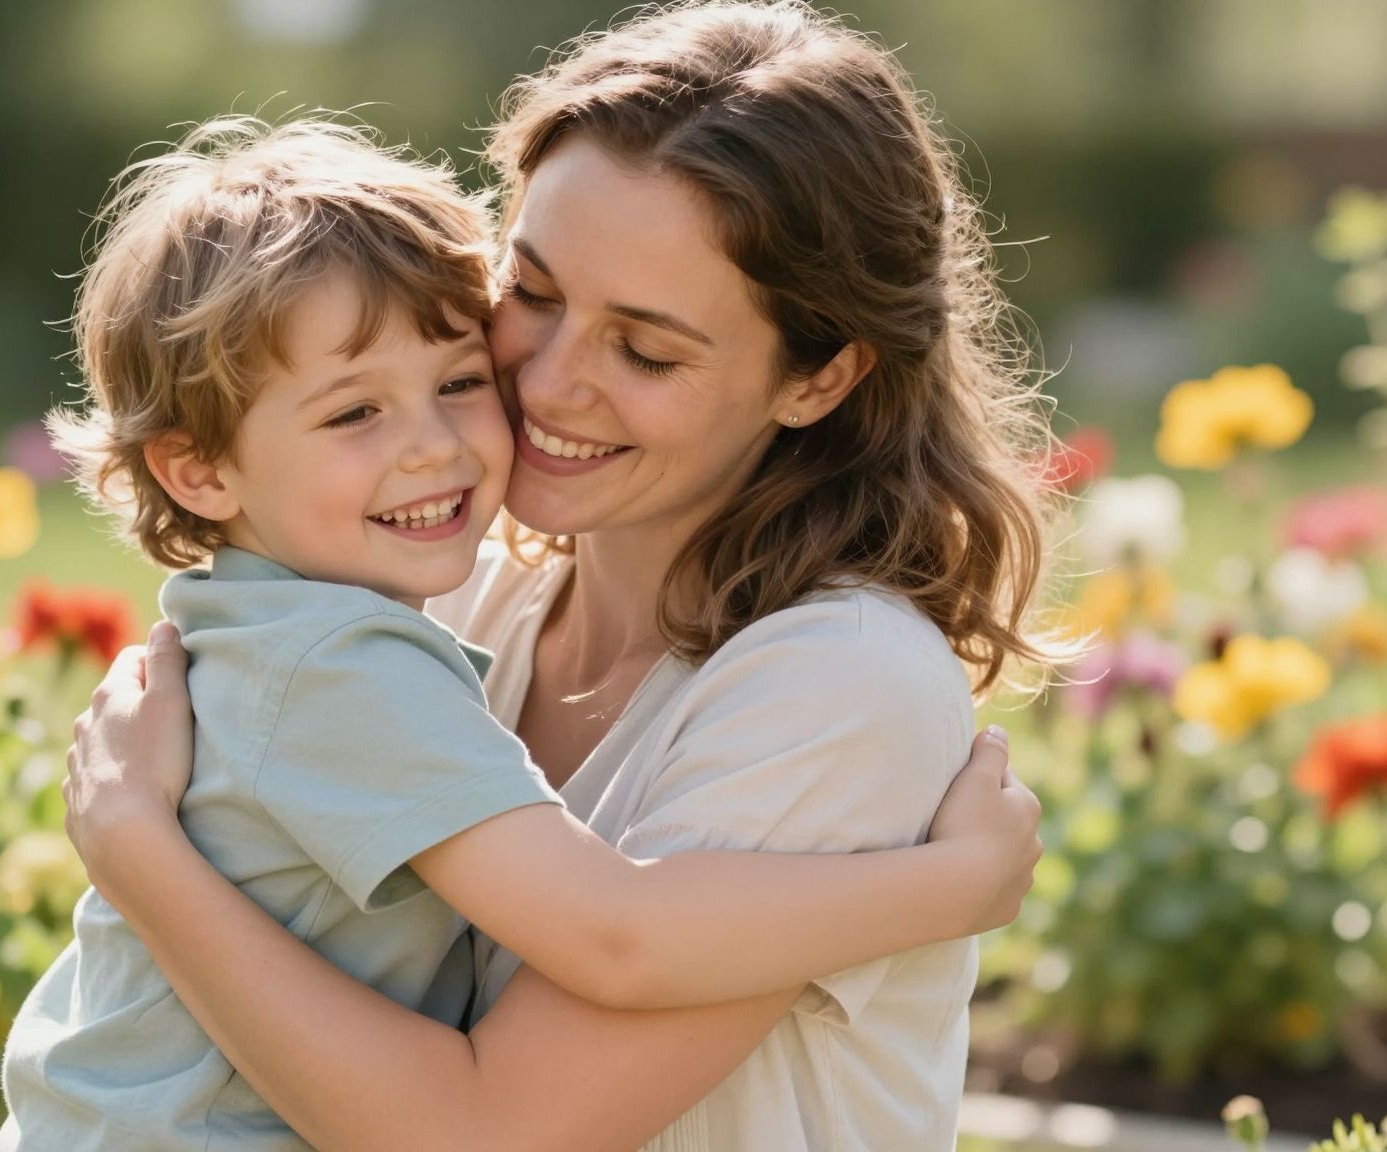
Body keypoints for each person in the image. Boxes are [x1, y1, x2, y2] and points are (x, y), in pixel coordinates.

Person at [61, 3, 1065, 1148]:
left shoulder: (840, 684)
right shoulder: (454, 603)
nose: (544, 380)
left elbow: (489, 1130)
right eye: (530, 291)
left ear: (818, 378)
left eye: (642, 350)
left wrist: (141, 859)